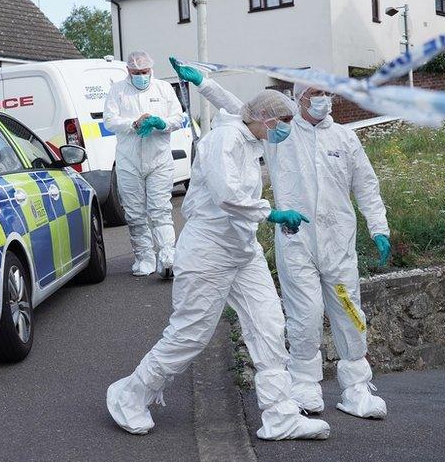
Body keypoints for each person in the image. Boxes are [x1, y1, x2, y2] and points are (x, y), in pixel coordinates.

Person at [171, 59, 391, 419]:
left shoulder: (344, 138)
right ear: (300, 98)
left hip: (338, 244)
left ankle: (356, 387)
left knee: (349, 312)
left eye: (327, 93)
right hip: (296, 241)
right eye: (316, 93)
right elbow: (243, 110)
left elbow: (366, 185)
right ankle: (304, 384)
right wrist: (205, 84)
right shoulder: (281, 134)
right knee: (304, 315)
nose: (323, 99)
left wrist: (379, 227)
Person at [106, 90, 330, 440]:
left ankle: (280, 414)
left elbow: (242, 197)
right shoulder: (224, 139)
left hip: (242, 250)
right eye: (284, 121)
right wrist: (271, 212)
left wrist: (267, 216)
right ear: (265, 118)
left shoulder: (252, 140)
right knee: (189, 334)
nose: (287, 127)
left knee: (268, 325)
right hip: (207, 250)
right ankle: (131, 395)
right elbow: (229, 195)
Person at [104, 51, 184, 278]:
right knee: (135, 212)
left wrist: (161, 123)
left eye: (144, 72)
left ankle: (168, 256)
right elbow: (109, 120)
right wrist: (133, 123)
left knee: (160, 210)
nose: (141, 76)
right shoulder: (117, 90)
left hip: (159, 159)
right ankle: (144, 257)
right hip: (129, 161)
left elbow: (179, 118)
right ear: (128, 71)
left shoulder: (163, 89)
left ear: (151, 70)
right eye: (136, 72)